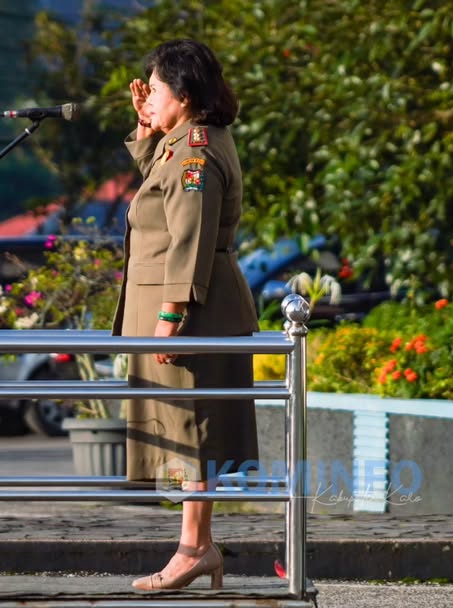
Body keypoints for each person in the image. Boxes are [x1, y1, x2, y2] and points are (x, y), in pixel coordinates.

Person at [112, 39, 259, 591]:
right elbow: (162, 192)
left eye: (155, 88)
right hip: (185, 306)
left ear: (186, 93)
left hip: (190, 310)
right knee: (182, 429)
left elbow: (190, 235)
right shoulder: (181, 143)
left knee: (193, 431)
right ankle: (198, 545)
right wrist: (147, 131)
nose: (146, 96)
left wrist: (173, 311)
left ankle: (194, 548)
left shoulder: (195, 149)